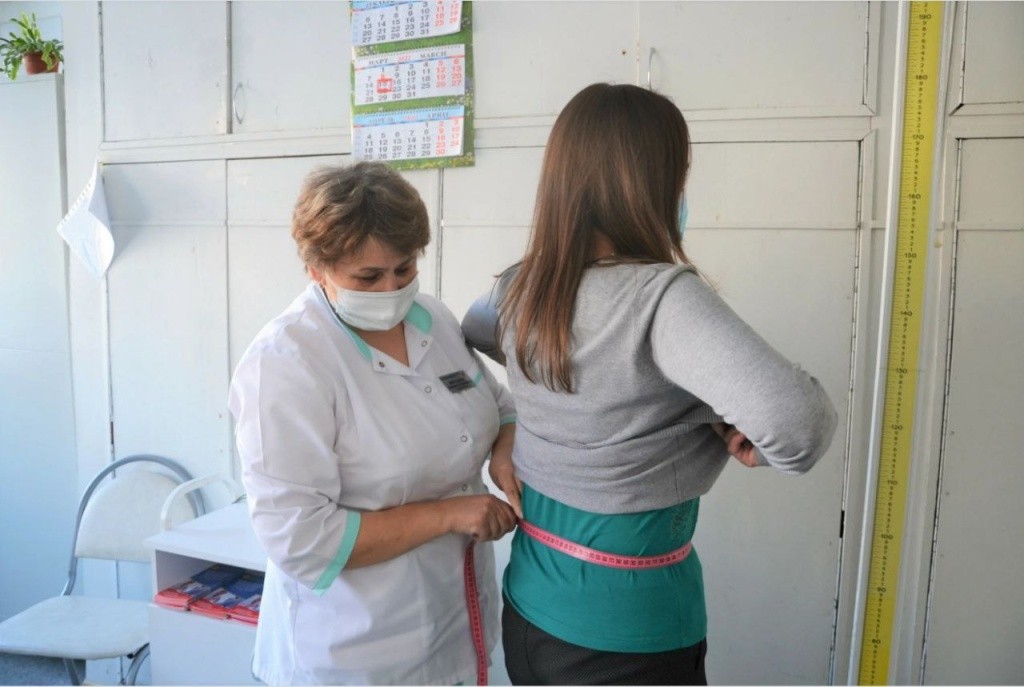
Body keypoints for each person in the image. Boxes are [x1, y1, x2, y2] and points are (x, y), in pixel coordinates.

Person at [462, 83, 838, 685]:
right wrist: (739, 432)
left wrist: (582, 393)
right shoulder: (661, 300)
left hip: (530, 609)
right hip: (629, 634)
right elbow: (801, 425)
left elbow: (476, 333)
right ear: (653, 184)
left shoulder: (517, 288)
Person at [229, 161, 518, 685]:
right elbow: (301, 540)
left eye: (404, 269)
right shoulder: (287, 363)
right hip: (354, 651)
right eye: (368, 277)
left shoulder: (433, 320)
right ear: (316, 268)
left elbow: (498, 408)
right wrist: (447, 515)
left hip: (454, 626)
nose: (390, 290)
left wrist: (503, 455)